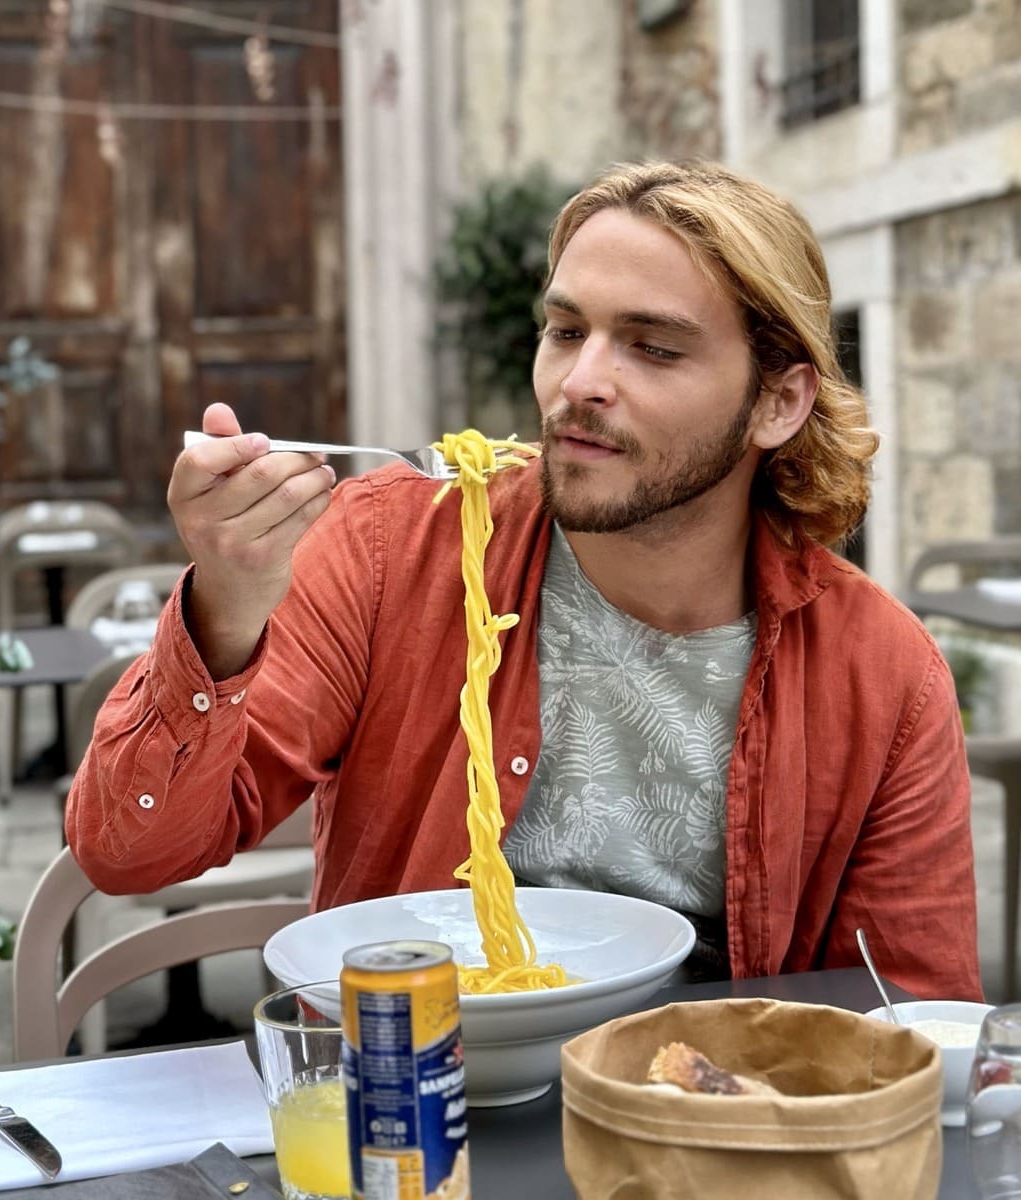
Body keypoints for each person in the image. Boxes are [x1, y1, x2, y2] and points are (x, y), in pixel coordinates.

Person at [66, 160, 981, 1000]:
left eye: (652, 348)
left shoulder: (886, 675)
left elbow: (913, 1013)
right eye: (566, 330)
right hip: (415, 1110)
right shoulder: (395, 548)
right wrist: (226, 606)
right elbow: (128, 851)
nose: (580, 381)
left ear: (777, 402)